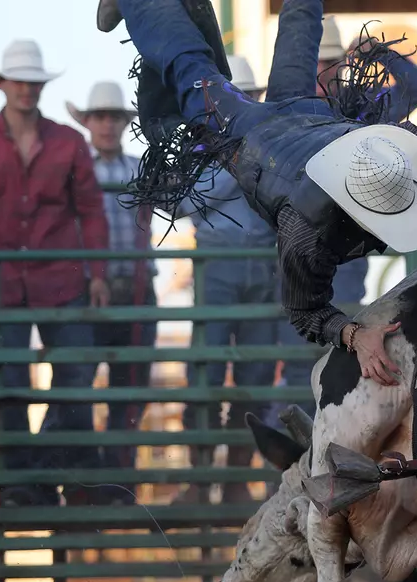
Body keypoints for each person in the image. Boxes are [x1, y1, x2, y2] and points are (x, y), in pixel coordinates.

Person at [99, 0, 417, 387]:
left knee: (294, 32)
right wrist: (357, 336)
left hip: (308, 117)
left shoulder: (389, 154)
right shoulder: (307, 226)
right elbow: (305, 311)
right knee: (190, 68)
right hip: (249, 133)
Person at [0, 40, 111, 507]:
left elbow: (91, 210)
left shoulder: (67, 142)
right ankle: (20, 484)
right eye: (18, 81)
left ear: (41, 86)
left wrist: (97, 273)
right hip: (1, 281)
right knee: (10, 384)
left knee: (75, 374)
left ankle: (55, 476)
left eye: (33, 82)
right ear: (2, 84)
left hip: (61, 277)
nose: (26, 90)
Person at [274, 12, 417, 419]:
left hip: (338, 251)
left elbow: (416, 87)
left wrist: (377, 51)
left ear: (344, 66)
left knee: (335, 349)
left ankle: (322, 439)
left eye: (333, 63)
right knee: (300, 352)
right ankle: (301, 445)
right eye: (321, 64)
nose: (327, 72)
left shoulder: (355, 109)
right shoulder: (316, 114)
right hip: (305, 249)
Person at [174, 54, 278, 505]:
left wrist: (229, 166)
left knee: (253, 375)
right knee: (207, 372)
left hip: (258, 262)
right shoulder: (203, 146)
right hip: (218, 263)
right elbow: (180, 202)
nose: (245, 105)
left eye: (249, 97)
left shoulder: (239, 147)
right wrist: (242, 166)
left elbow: (191, 199)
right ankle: (200, 482)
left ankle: (233, 479)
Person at [66, 80, 155, 506]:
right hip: (88, 289)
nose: (106, 125)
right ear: (87, 122)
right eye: (99, 117)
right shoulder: (75, 169)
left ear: (123, 123)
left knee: (129, 390)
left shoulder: (141, 168)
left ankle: (118, 485)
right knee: (81, 387)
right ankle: (87, 485)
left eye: (113, 117)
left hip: (135, 289)